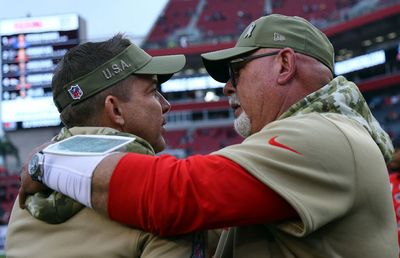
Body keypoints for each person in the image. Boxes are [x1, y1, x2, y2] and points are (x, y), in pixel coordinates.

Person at [20, 14, 398, 257]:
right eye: (155, 92)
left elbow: (175, 195)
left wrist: (47, 161)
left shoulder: (324, 133)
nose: (227, 89)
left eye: (236, 72)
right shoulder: (323, 131)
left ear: (284, 65)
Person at [7, 34, 217, 258]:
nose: (165, 105)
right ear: (115, 110)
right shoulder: (161, 206)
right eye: (153, 92)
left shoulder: (24, 200)